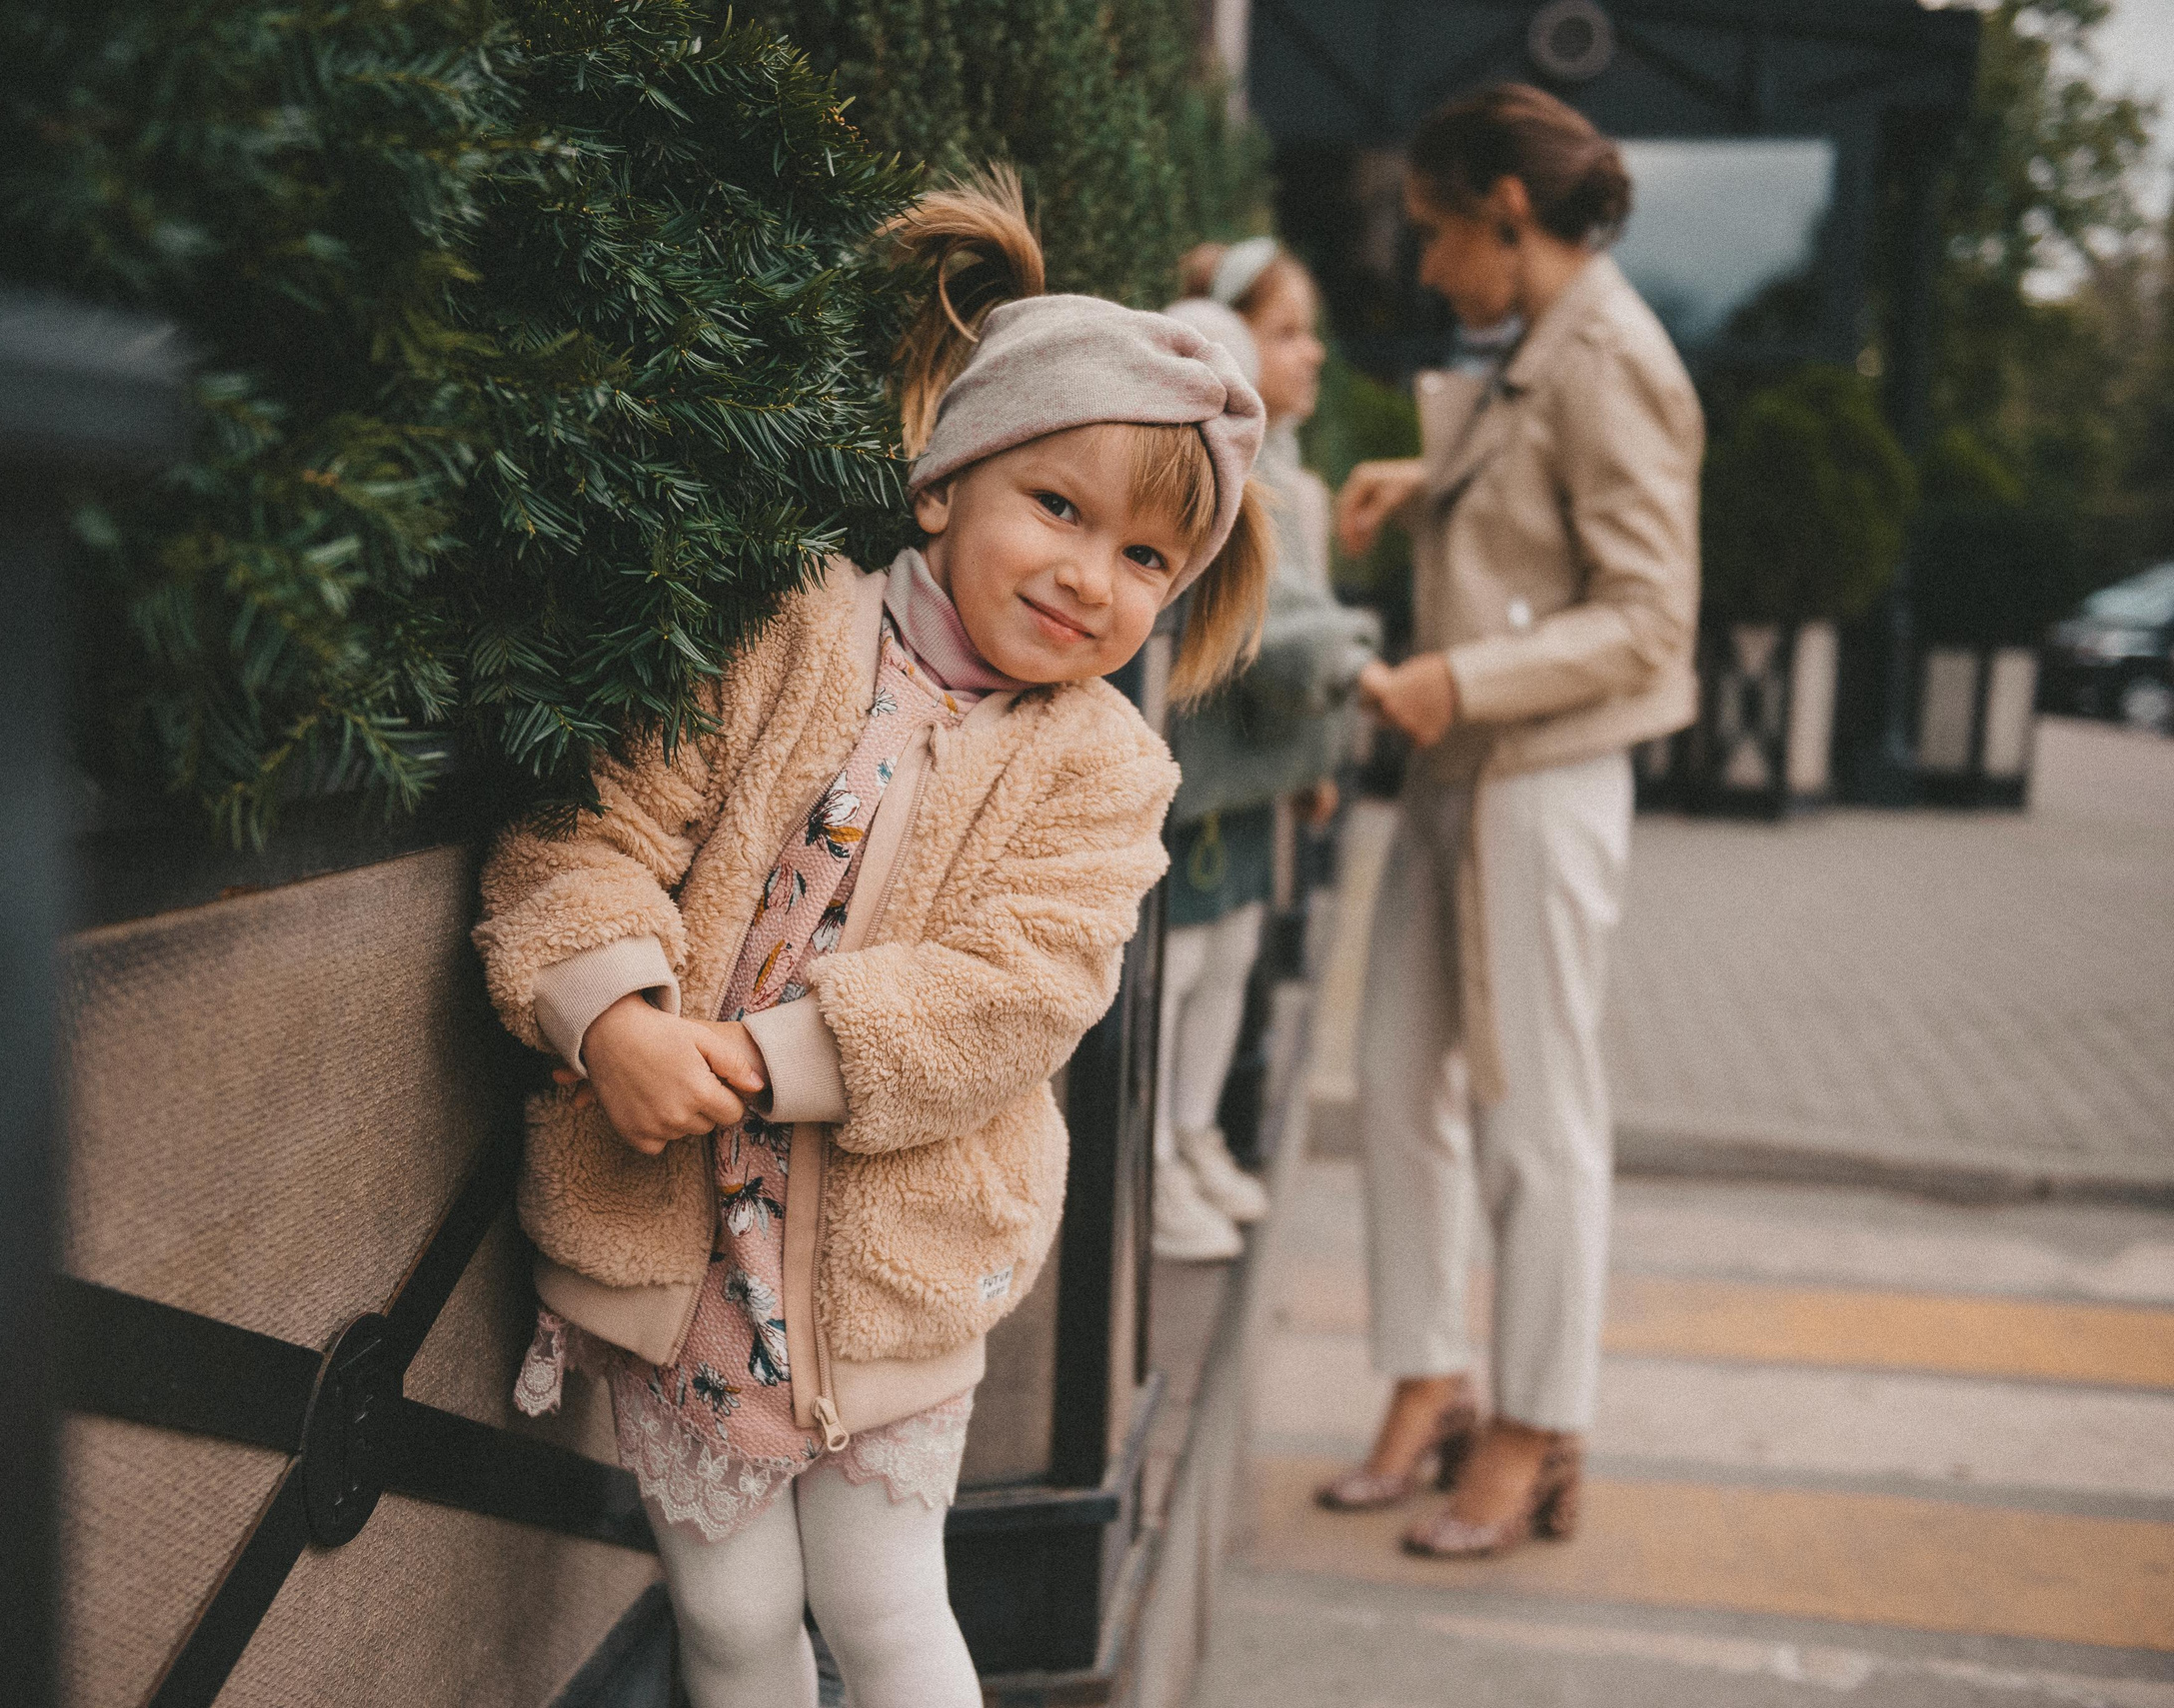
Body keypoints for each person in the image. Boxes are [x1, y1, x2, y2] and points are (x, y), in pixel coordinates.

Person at [476, 168, 1272, 1708]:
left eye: (1144, 559)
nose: (1086, 576)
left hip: (893, 1268)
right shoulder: (785, 630)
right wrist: (617, 1017)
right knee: (726, 1609)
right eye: (1059, 508)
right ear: (945, 485)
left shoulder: (1105, 767)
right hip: (680, 1231)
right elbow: (597, 832)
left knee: (889, 1604)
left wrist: (772, 1054)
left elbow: (1017, 990)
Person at [1323, 84, 1701, 1558]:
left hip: (1539, 773)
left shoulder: (1613, 356)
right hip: (1464, 765)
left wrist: (1458, 674)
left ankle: (1539, 1424)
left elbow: (1651, 618)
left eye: (1433, 234)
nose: (1423, 268)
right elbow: (1542, 512)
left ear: (1508, 213)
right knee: (1395, 1072)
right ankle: (1432, 1376)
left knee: (1534, 1119)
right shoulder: (1537, 343)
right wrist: (1430, 485)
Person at [1150, 241, 1375, 1261]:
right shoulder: (1233, 465)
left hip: (1251, 773)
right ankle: (1152, 1159)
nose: (1312, 353)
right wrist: (1362, 680)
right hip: (1198, 774)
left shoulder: (1286, 469)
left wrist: (1315, 762)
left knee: (1231, 952)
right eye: (1285, 331)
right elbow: (1278, 627)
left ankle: (1190, 1135)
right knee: (1185, 961)